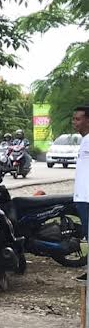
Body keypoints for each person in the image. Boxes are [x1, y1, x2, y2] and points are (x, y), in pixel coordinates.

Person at [72, 106, 89, 282]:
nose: (74, 122)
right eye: (74, 119)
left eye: (78, 119)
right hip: (82, 197)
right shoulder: (84, 140)